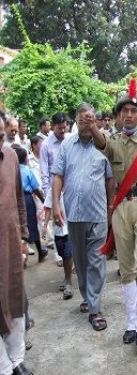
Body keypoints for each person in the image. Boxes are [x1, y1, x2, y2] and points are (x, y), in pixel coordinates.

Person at [90, 83, 137, 348]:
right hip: (121, 208)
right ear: (118, 117)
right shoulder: (113, 143)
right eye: (125, 111)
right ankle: (131, 323)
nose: (129, 115)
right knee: (126, 269)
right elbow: (100, 142)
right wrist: (92, 126)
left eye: (133, 111)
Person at [52, 102, 113, 330]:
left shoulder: (103, 146)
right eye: (83, 119)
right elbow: (58, 175)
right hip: (75, 214)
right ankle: (87, 297)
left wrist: (111, 206)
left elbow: (110, 179)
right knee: (81, 260)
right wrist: (56, 204)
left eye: (91, 119)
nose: (87, 124)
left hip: (97, 213)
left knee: (97, 260)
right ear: (75, 121)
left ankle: (95, 309)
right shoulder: (67, 145)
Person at [0, 118, 33, 375]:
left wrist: (23, 236)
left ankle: (16, 358)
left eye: (1, 136)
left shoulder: (10, 156)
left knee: (14, 296)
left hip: (10, 243)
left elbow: (19, 200)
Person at [40, 112, 68, 267]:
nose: (62, 131)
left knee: (69, 223)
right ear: (53, 126)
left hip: (69, 188)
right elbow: (44, 171)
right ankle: (59, 255)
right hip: (54, 191)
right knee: (58, 223)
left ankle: (70, 254)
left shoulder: (69, 140)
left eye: (64, 128)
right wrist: (48, 195)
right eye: (59, 128)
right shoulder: (46, 145)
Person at [13, 146, 48, 263]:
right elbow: (36, 189)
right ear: (26, 159)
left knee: (18, 227)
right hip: (27, 200)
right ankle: (40, 252)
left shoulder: (12, 171)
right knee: (32, 226)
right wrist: (44, 201)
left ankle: (21, 256)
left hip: (14, 200)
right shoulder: (27, 171)